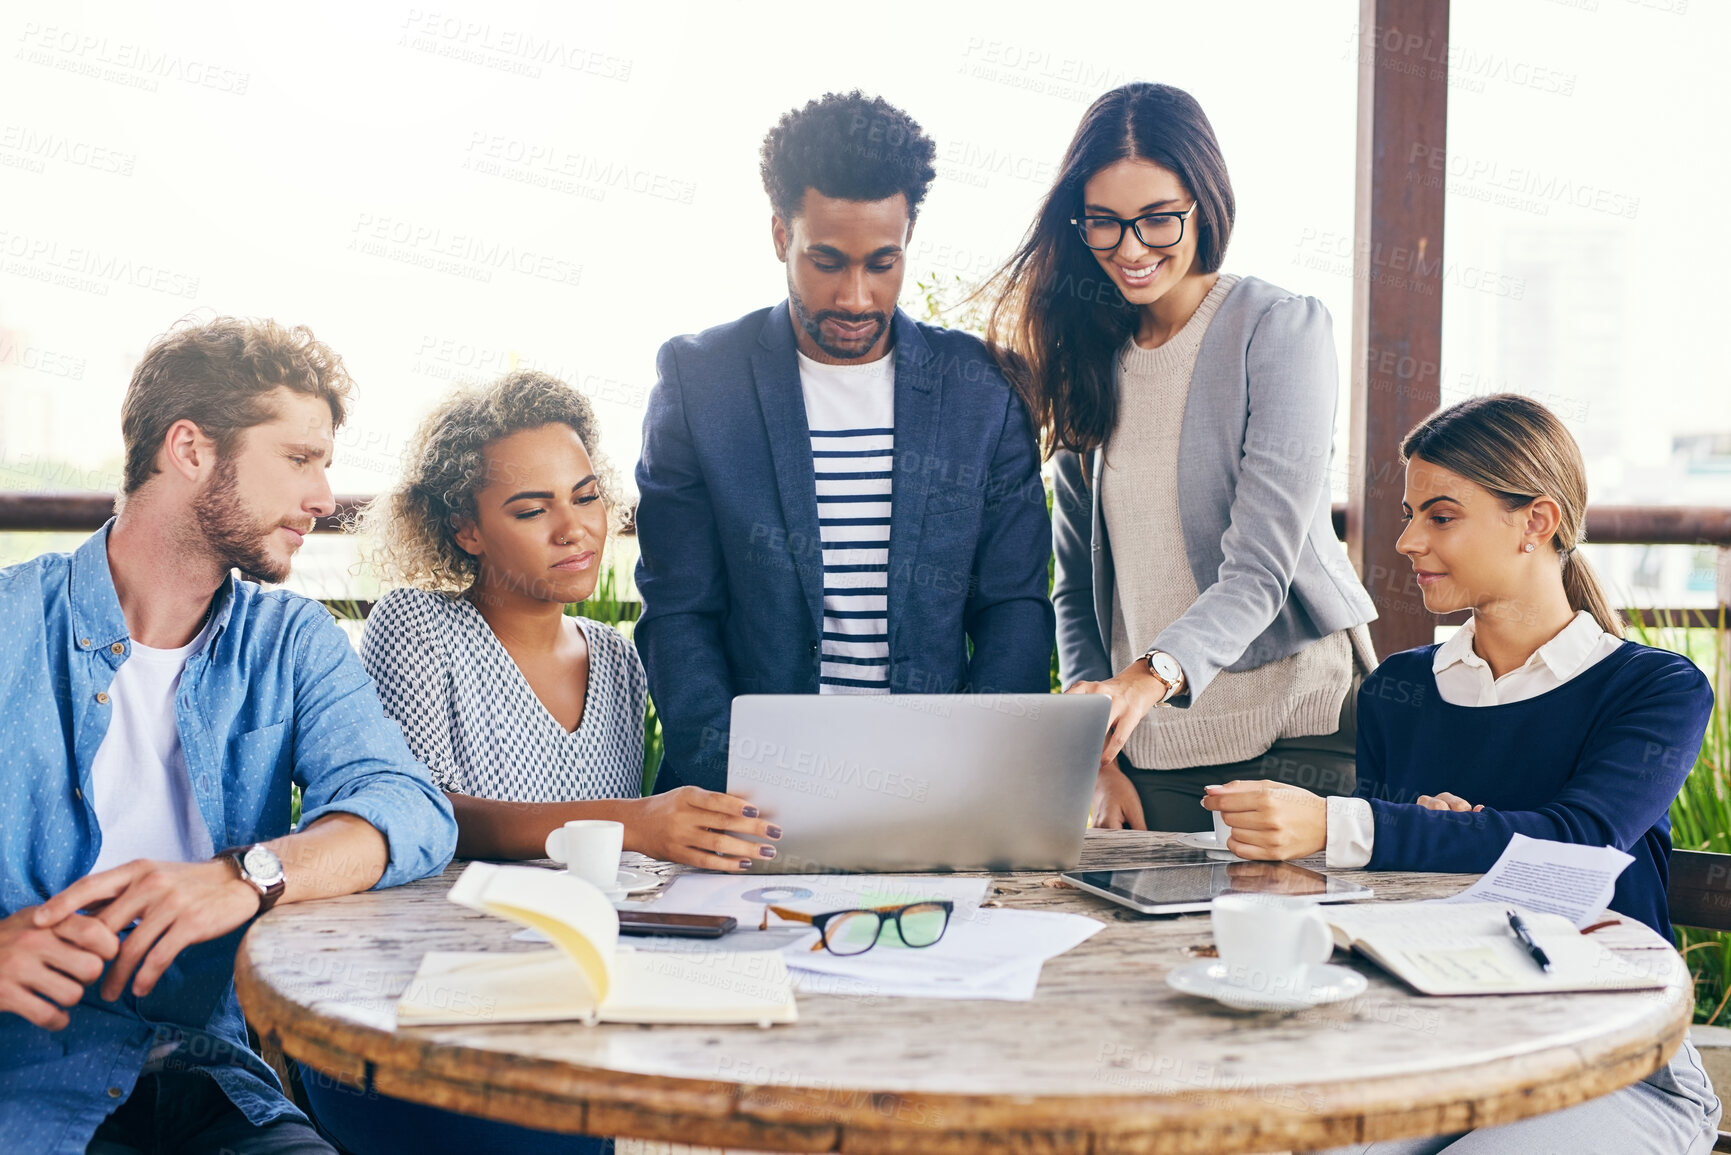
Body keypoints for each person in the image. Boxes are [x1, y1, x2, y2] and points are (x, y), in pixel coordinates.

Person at [1212, 394, 1721, 1154]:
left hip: (1614, 1049)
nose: (1408, 539)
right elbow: (1378, 889)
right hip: (1431, 1033)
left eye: (1440, 516)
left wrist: (1352, 824)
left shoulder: (1654, 686)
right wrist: (1426, 839)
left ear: (1535, 522)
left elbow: (1580, 842)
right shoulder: (1398, 686)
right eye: (1410, 512)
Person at [0, 317, 457, 1155]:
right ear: (189, 449)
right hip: (23, 1085)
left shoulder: (291, 641)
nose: (323, 497)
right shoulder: (8, 624)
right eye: (298, 458)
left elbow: (408, 806)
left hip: (218, 1085)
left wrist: (248, 875)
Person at [635, 90, 1054, 794]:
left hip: (935, 792)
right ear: (779, 235)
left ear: (909, 233)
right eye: (825, 261)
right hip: (744, 800)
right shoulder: (698, 381)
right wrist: (735, 779)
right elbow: (680, 613)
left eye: (880, 263)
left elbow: (1011, 608)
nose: (856, 296)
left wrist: (982, 778)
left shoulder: (983, 391)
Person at [986, 82, 1377, 832]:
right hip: (1152, 753)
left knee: (1289, 946)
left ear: (1204, 202)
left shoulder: (1278, 330)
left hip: (1302, 729)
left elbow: (1260, 566)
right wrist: (1093, 755)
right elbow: (1076, 591)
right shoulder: (1084, 361)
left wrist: (1150, 674)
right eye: (1103, 224)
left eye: (1158, 219)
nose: (1130, 249)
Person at [355, 370, 779, 869]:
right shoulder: (416, 626)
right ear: (466, 529)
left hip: (596, 931)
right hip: (463, 929)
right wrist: (635, 823)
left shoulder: (617, 658)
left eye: (584, 497)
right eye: (533, 510)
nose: (574, 530)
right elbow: (423, 812)